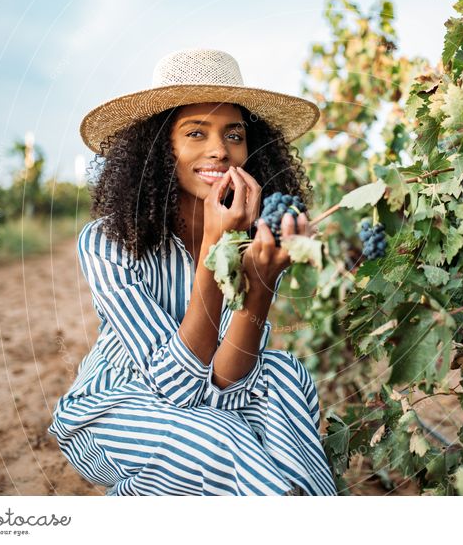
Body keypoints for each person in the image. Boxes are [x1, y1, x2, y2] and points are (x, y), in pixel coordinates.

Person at [47, 49, 337, 496]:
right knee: (226, 439)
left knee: (284, 374)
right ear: (161, 147)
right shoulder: (107, 241)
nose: (219, 150)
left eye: (234, 135)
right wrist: (212, 252)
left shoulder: (253, 238)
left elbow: (225, 386)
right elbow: (177, 388)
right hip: (112, 413)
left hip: (209, 404)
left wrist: (259, 285)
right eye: (195, 133)